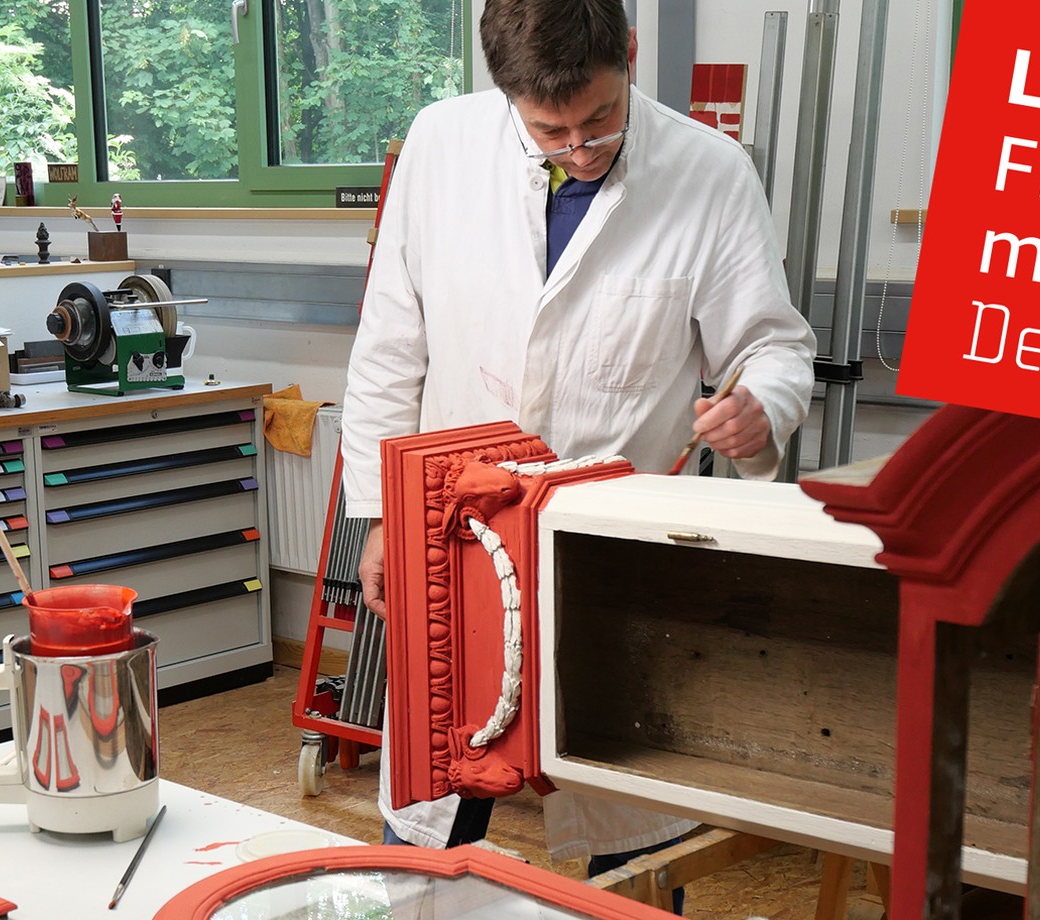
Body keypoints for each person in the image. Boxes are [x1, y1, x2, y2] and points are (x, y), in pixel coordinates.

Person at [338, 0, 818, 910]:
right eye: (547, 129)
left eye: (598, 120)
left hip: (612, 548)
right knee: (433, 811)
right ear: (502, 91)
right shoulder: (442, 146)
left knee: (629, 833)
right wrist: (377, 520)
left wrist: (763, 404)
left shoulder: (710, 173)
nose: (578, 147)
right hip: (457, 535)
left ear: (628, 54)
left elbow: (772, 345)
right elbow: (389, 347)